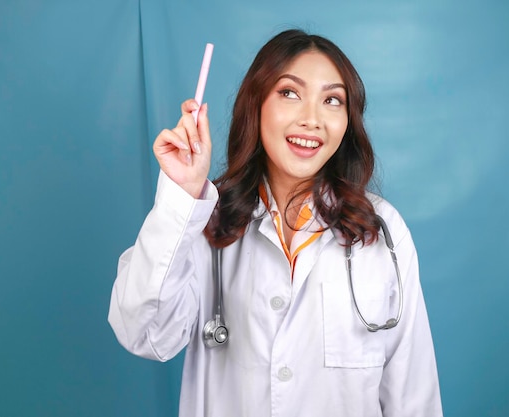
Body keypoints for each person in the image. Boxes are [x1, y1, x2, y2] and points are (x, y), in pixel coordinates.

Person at [108, 29, 442, 417]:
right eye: (289, 93)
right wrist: (182, 196)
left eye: (332, 100)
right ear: (256, 104)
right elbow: (144, 334)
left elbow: (413, 394)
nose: (312, 119)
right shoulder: (204, 219)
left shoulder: (382, 230)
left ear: (347, 122)